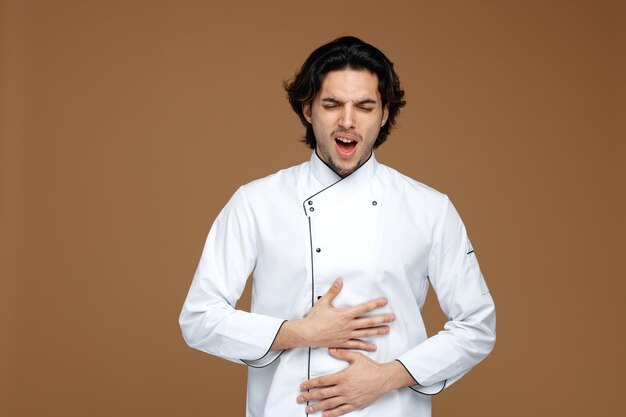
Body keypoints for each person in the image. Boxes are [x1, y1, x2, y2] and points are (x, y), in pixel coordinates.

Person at [179, 36, 496, 417]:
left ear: (384, 113)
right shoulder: (256, 202)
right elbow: (199, 319)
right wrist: (300, 333)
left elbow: (476, 325)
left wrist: (388, 376)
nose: (348, 120)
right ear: (308, 109)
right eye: (332, 104)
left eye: (364, 106)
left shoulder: (428, 208)